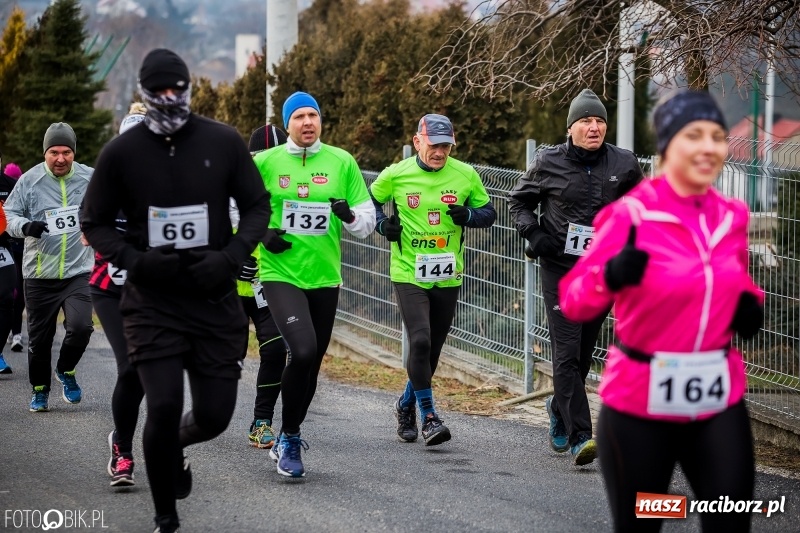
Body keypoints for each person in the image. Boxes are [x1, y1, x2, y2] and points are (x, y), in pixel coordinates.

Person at [81, 48, 271, 533]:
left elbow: (257, 207)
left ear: (189, 88)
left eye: (178, 90)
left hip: (212, 299)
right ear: (144, 95)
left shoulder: (222, 141)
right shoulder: (121, 153)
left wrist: (228, 258)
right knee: (162, 405)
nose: (170, 99)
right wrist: (135, 261)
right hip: (153, 302)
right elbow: (94, 221)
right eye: (159, 92)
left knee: (213, 416)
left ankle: (174, 448)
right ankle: (166, 516)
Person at [559, 89, 764, 532]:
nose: (709, 147)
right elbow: (574, 299)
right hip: (640, 404)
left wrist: (750, 305)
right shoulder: (629, 216)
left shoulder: (733, 216)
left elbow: (734, 282)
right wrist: (610, 276)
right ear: (668, 145)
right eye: (695, 135)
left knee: (727, 517)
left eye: (717, 136)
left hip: (716, 397)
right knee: (649, 517)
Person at [508, 89, 643, 466]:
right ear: (571, 128)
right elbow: (518, 202)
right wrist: (534, 235)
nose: (594, 127)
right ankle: (582, 434)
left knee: (582, 355)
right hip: (561, 270)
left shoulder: (624, 162)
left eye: (599, 121)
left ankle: (557, 407)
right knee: (566, 353)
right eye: (586, 121)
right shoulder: (547, 161)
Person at [253, 91, 375, 477]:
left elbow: (368, 224)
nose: (308, 122)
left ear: (321, 121)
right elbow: (235, 208)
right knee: (301, 352)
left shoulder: (342, 162)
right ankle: (288, 437)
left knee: (313, 365)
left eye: (313, 115)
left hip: (324, 278)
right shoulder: (265, 162)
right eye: (299, 117)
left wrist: (349, 215)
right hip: (280, 274)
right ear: (287, 124)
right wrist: (263, 234)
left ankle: (290, 430)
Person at [370, 114, 496, 446]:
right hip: (408, 271)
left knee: (433, 350)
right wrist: (384, 225)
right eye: (434, 145)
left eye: (446, 146)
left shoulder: (465, 174)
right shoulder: (396, 174)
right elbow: (367, 201)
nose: (440, 153)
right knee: (421, 341)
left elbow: (489, 213)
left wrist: (468, 215)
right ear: (417, 142)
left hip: (448, 272)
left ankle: (406, 403)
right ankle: (429, 417)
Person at [4, 123, 94, 411]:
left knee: (81, 327)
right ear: (45, 152)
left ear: (74, 152)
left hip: (78, 270)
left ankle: (66, 369)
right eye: (54, 152)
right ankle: (40, 389)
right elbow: (10, 214)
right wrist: (26, 226)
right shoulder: (29, 181)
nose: (60, 158)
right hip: (40, 273)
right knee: (40, 341)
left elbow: (107, 206)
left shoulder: (89, 177)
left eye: (66, 152)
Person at [88, 102, 147, 488]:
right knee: (130, 367)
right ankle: (123, 450)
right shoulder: (106, 184)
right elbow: (88, 228)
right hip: (110, 289)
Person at [241, 123, 289, 449]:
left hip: (268, 288)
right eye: (261, 156)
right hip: (229, 290)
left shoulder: (290, 191)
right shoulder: (231, 188)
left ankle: (261, 422)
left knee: (274, 349)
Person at [0, 161, 26, 355]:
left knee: (11, 297)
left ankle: (11, 338)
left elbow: (19, 213)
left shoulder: (10, 185)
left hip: (9, 247)